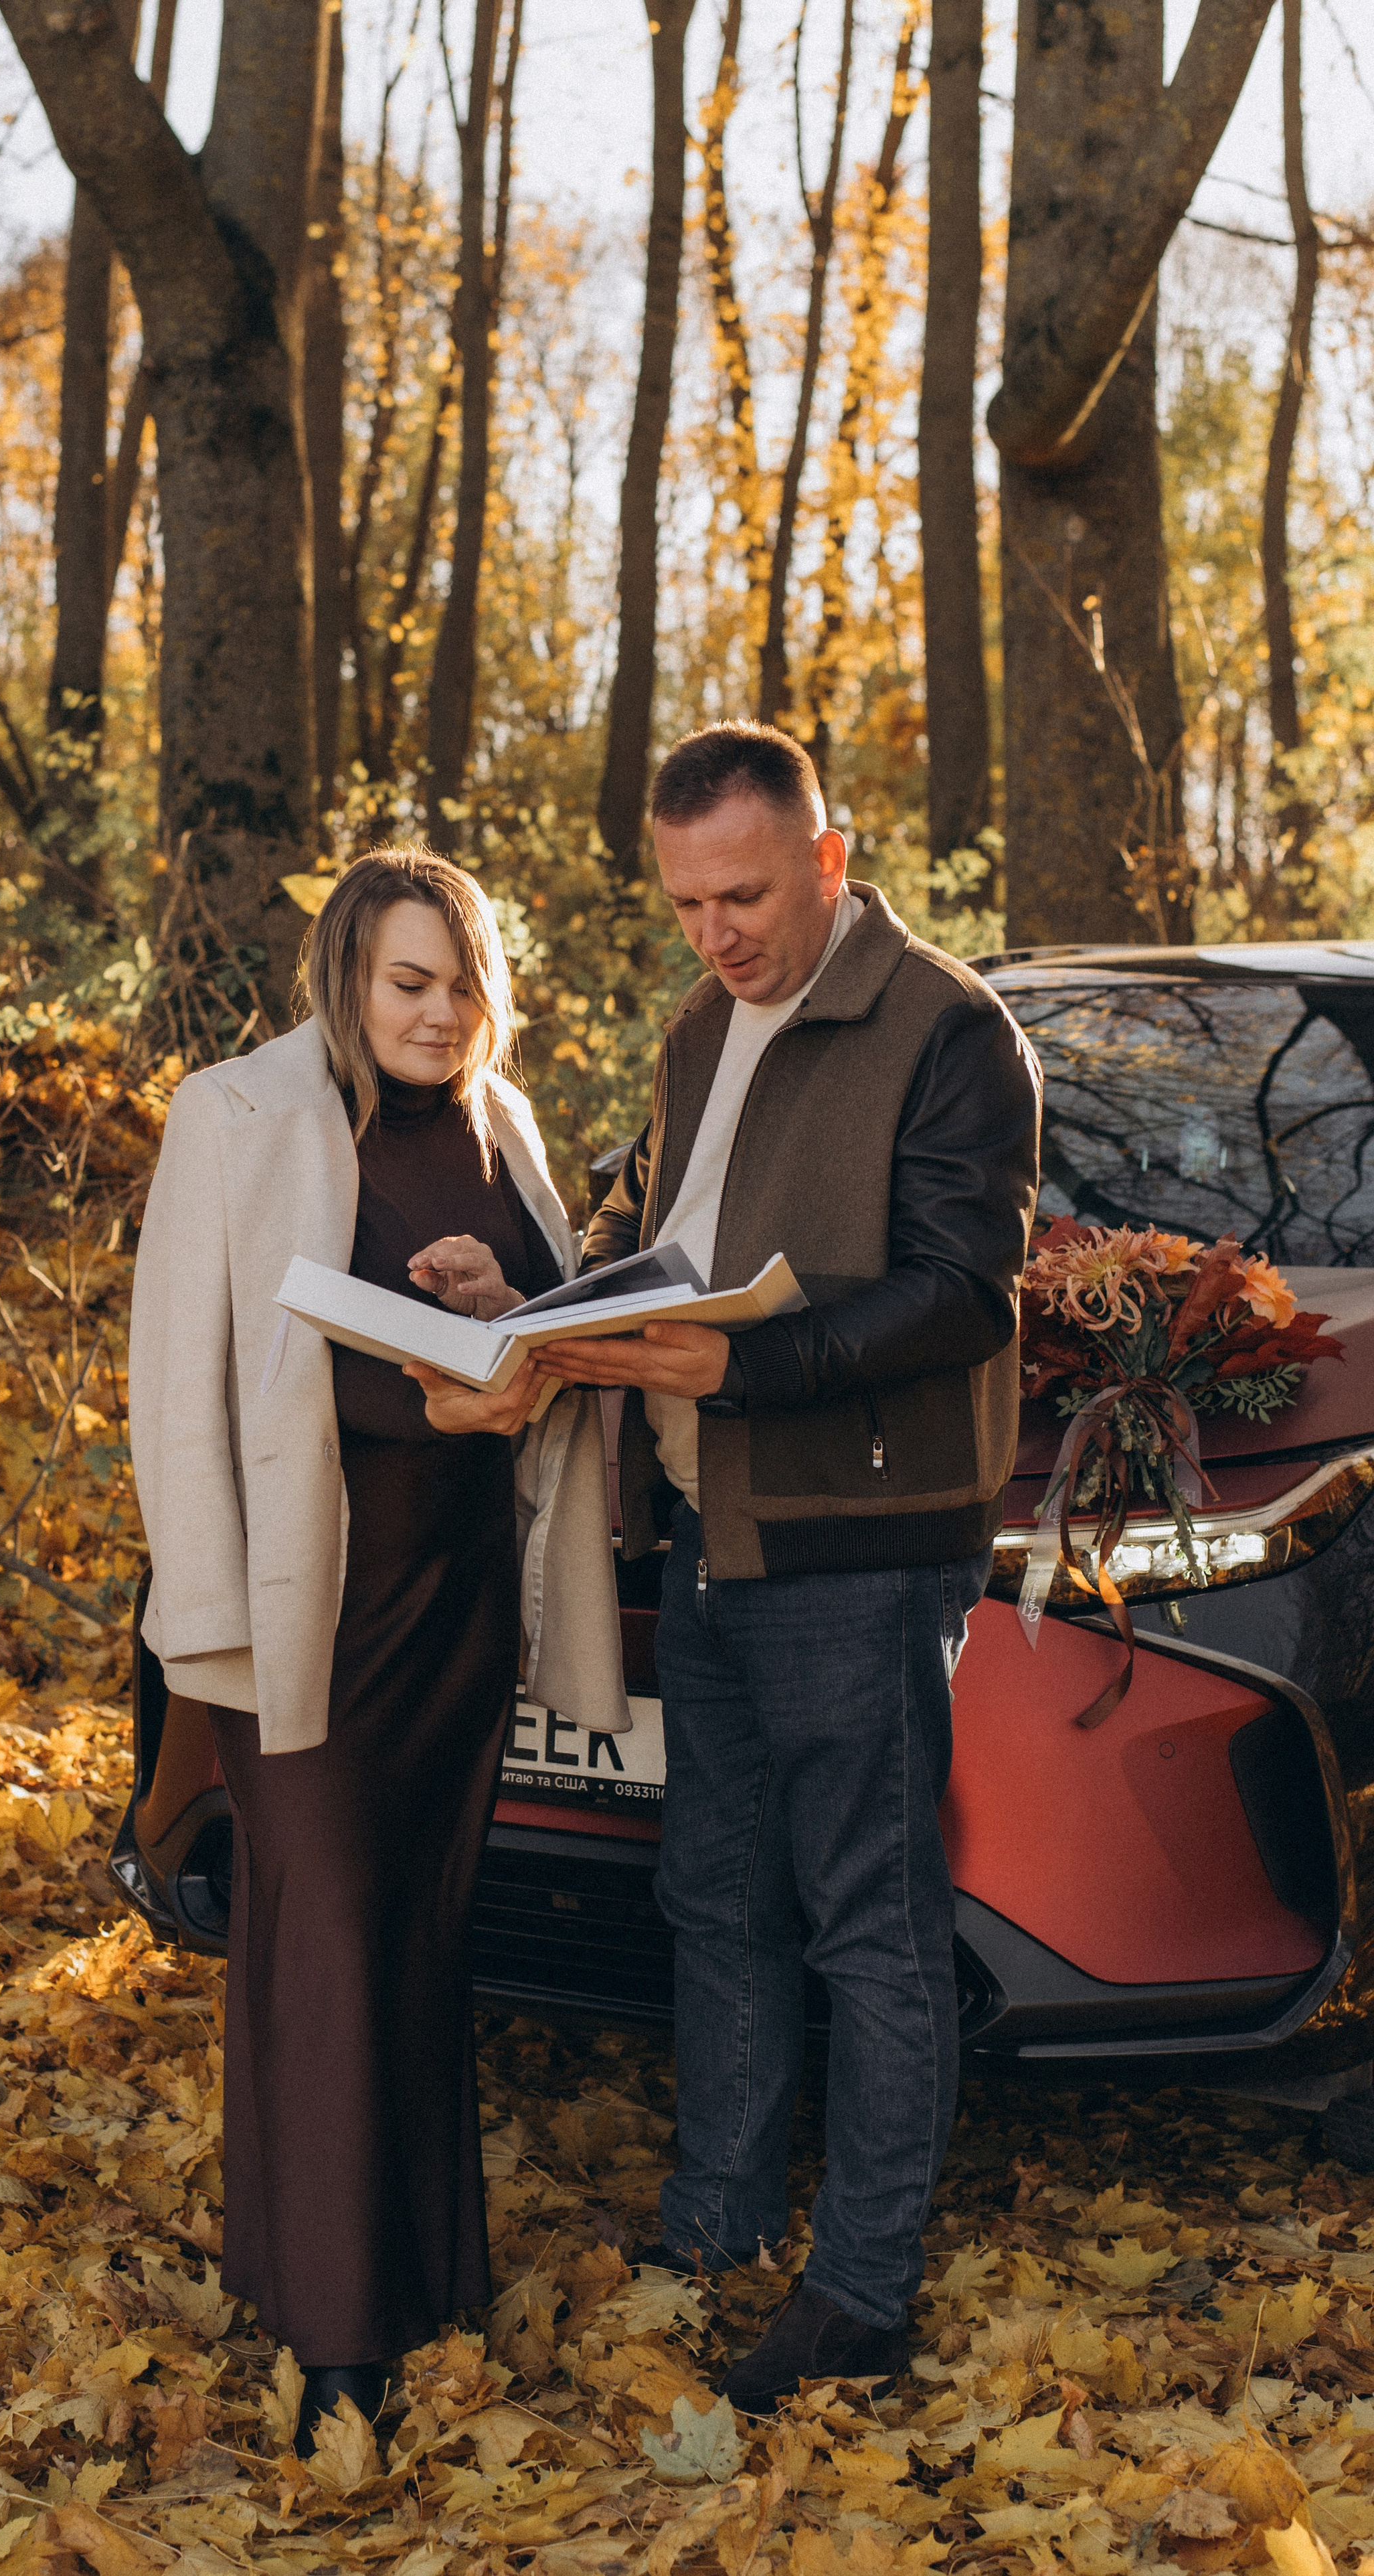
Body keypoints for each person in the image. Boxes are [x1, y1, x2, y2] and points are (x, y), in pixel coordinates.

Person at [541, 723, 1039, 2406]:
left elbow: (962, 1291)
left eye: (743, 896)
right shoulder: (700, 1025)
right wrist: (535, 1302)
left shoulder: (947, 1030)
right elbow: (645, 1230)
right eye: (685, 904)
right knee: (713, 1899)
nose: (715, 934)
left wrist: (744, 1366)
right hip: (709, 1534)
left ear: (826, 860)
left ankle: (861, 2294)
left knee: (868, 1927)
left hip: (859, 1552)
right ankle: (716, 2223)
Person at [127, 848, 627, 2449]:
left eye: (465, 983)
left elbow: (551, 1332)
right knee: (327, 1929)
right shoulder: (235, 1113)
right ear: (344, 976)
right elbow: (181, 1386)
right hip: (307, 1612)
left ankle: (411, 2272)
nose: (440, 1012)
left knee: (418, 1930)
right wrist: (200, 1614)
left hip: (455, 1603)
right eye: (409, 982)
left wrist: (505, 1298)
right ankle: (338, 2338)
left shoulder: (502, 1123)